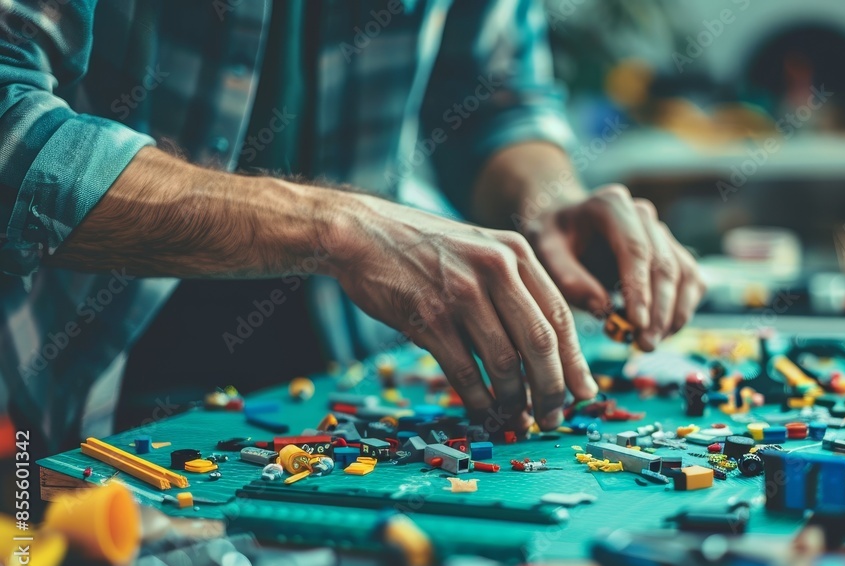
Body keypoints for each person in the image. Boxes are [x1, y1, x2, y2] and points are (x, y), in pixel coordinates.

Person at [0, 0, 703, 455]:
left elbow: (492, 99)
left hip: (354, 370)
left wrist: (550, 203)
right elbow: (12, 125)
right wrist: (337, 228)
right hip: (88, 374)